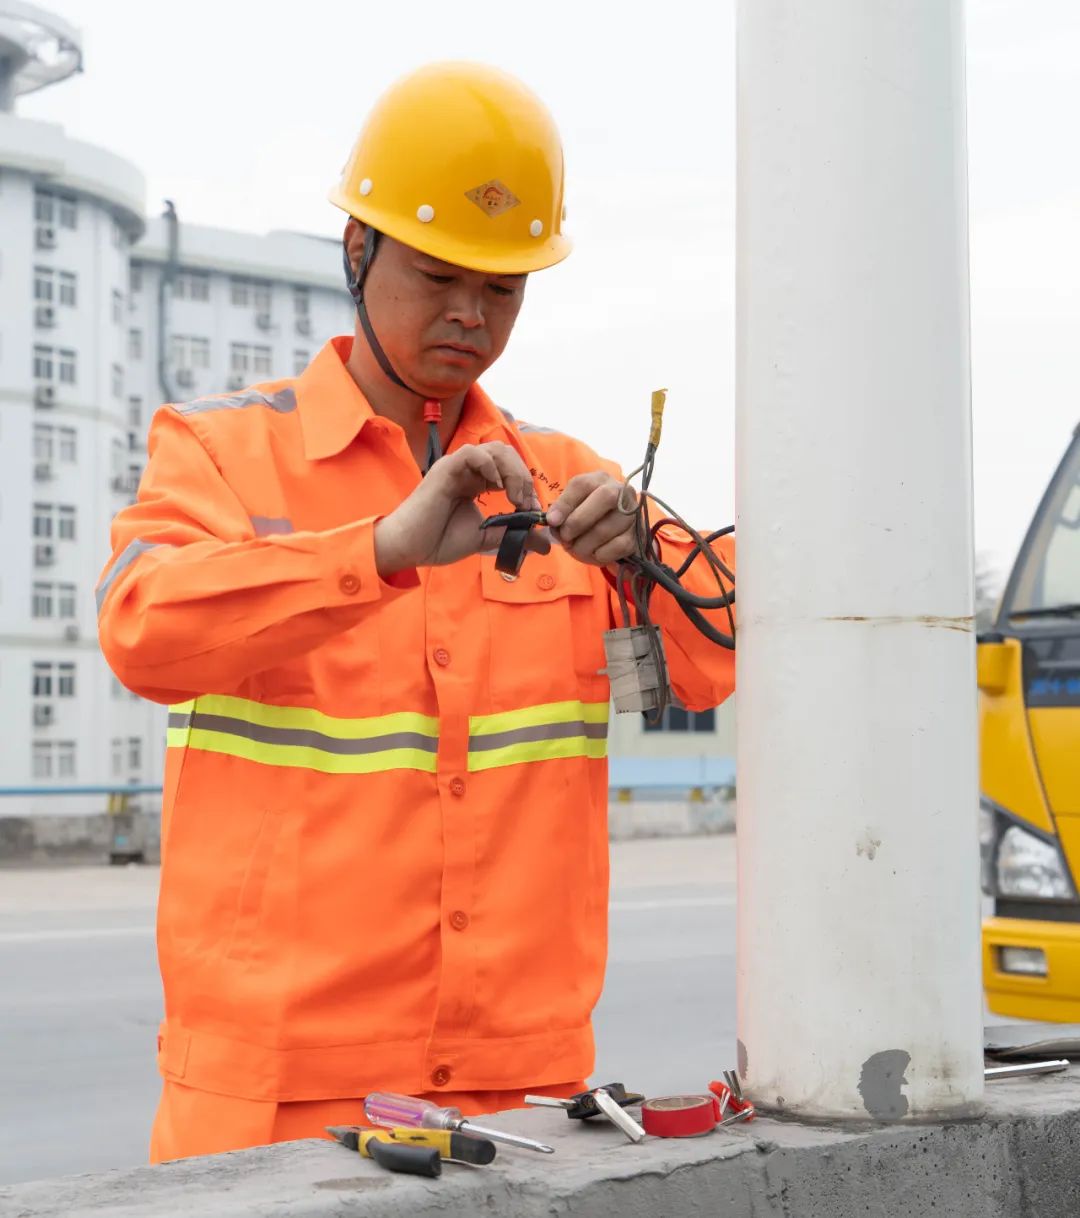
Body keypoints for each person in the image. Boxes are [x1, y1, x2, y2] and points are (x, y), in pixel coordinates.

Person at [96, 61, 736, 1163]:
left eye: (503, 290)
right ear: (357, 250)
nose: (469, 318)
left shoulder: (566, 479)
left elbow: (723, 660)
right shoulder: (222, 453)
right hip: (280, 1098)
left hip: (522, 1099)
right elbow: (142, 626)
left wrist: (648, 547)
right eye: (440, 277)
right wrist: (376, 552)